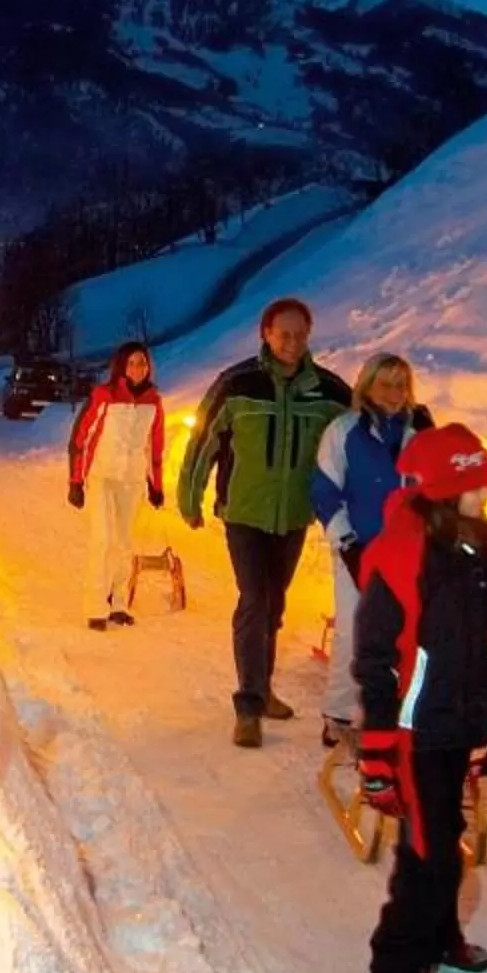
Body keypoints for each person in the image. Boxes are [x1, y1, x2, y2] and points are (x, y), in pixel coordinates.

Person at [350, 422, 487, 973]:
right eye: (477, 485)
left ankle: (443, 934)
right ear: (446, 489)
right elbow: (375, 660)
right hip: (415, 731)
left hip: (459, 722)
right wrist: (375, 750)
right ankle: (397, 971)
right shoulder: (401, 552)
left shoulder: (483, 547)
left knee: (448, 837)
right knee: (428, 856)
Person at [175, 297, 353, 747]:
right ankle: (248, 705)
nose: (291, 343)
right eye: (283, 334)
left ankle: (264, 685)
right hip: (245, 512)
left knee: (274, 605)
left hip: (293, 515)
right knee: (254, 600)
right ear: (266, 335)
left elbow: (358, 441)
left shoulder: (329, 392)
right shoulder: (238, 384)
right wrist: (189, 495)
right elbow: (203, 442)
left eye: (299, 334)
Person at [308, 353, 433, 743]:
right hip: (358, 548)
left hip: (405, 554)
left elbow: (432, 491)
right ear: (367, 386)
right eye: (386, 384)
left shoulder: (417, 434)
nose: (395, 393)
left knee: (403, 632)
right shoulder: (343, 431)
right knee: (353, 629)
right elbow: (325, 491)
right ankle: (340, 712)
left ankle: (391, 708)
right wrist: (347, 543)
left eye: (401, 385)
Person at [65, 341, 166, 629]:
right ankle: (95, 607)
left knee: (123, 542)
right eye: (132, 363)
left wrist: (155, 485)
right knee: (103, 540)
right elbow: (80, 438)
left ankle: (118, 604)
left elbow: (154, 446)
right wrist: (76, 481)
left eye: (143, 364)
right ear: (121, 366)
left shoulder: (153, 401)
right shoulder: (105, 395)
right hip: (102, 477)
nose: (138, 369)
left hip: (131, 480)